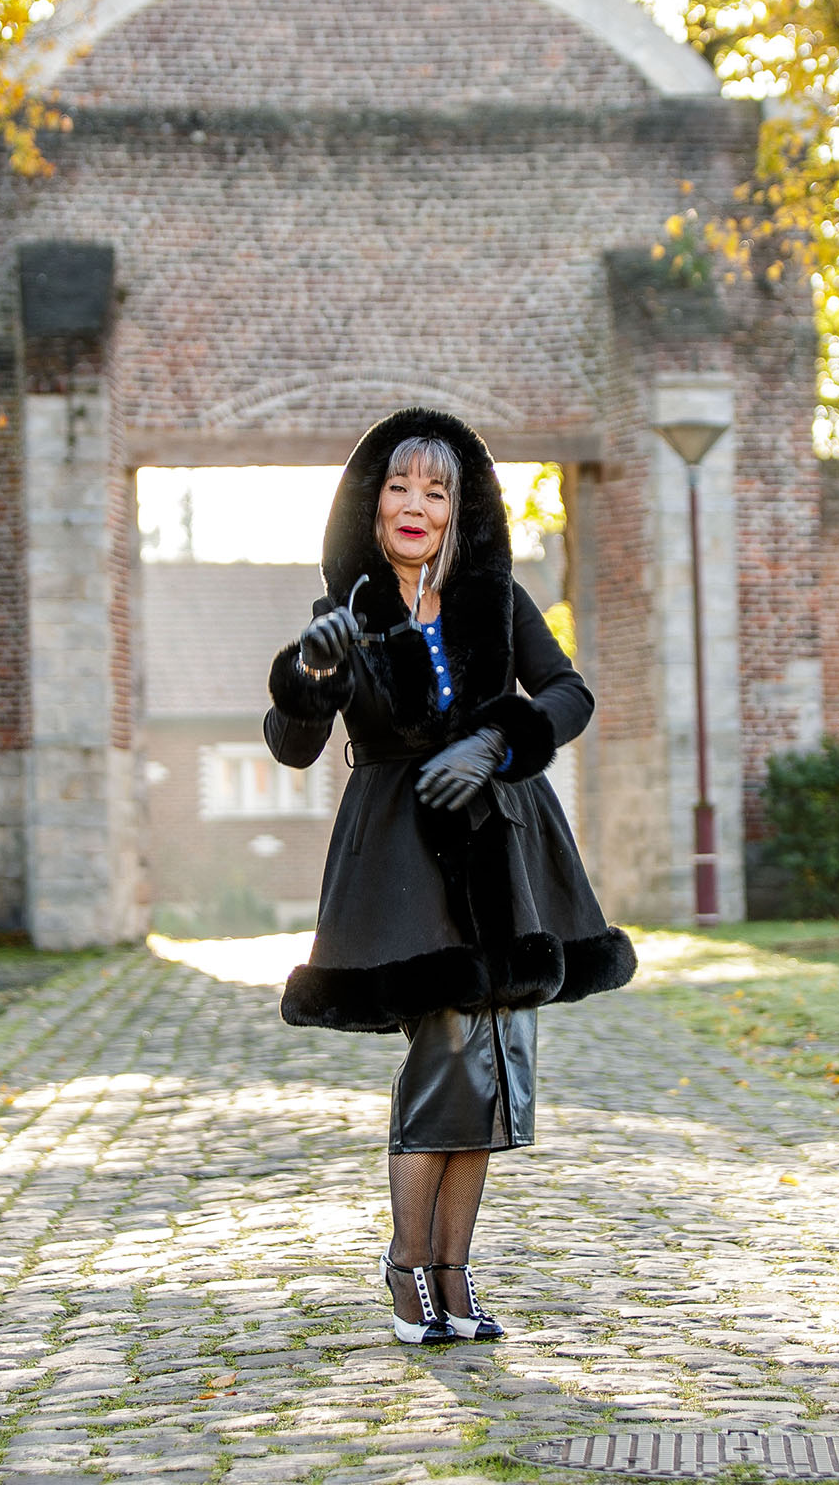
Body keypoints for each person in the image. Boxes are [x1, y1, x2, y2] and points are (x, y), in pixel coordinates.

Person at [264, 406, 635, 1345]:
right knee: (443, 1060)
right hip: (400, 853)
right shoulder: (341, 616)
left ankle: (455, 1274)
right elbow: (295, 745)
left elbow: (568, 692)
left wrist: (500, 740)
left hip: (505, 845)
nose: (415, 504)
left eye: (435, 489)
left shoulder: (498, 602)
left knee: (499, 1066)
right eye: (397, 487)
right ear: (370, 504)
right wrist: (308, 676)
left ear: (459, 508)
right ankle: (405, 1268)